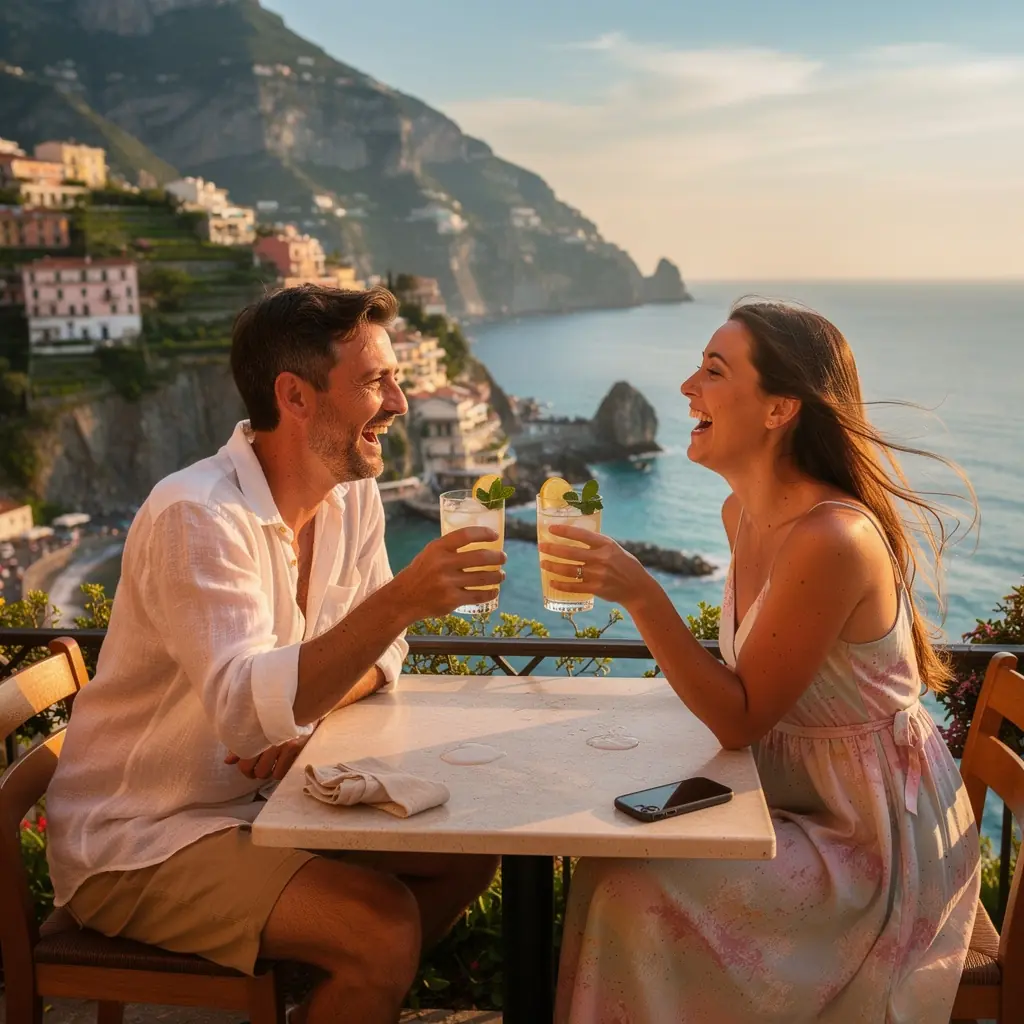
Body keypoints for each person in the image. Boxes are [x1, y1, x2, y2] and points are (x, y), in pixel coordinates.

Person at [46, 285, 505, 1024]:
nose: (401, 403)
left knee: (469, 854)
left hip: (264, 808)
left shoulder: (353, 495)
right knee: (381, 926)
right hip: (143, 838)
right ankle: (351, 976)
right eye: (375, 381)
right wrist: (404, 598)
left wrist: (306, 714)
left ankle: (331, 998)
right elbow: (246, 713)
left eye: (396, 379)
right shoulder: (197, 514)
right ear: (293, 395)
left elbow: (386, 654)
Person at [541, 300, 980, 1023]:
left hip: (865, 845)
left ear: (779, 409)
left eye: (713, 371)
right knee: (608, 867)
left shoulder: (832, 538)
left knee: (627, 888)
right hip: (782, 804)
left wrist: (641, 594)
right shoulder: (738, 516)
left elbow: (742, 717)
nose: (688, 387)